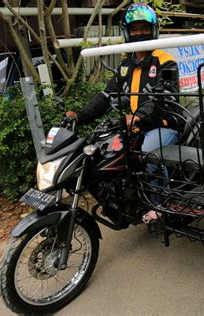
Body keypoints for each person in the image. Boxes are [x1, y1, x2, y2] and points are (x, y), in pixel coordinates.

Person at [65, 3, 179, 224]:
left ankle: (160, 203)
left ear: (153, 29)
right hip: (136, 126)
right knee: (103, 151)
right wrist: (79, 115)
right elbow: (106, 97)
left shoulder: (165, 61)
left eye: (143, 28)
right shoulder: (126, 64)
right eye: (134, 28)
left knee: (147, 154)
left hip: (164, 125)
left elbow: (163, 99)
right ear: (127, 31)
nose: (139, 33)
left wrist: (137, 117)